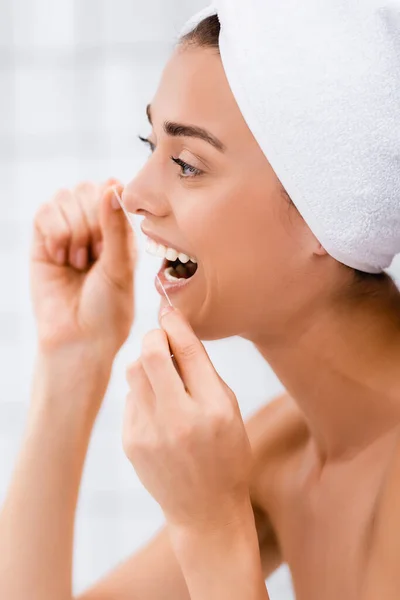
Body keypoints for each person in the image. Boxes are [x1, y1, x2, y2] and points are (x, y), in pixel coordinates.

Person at [1, 7, 400, 600]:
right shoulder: (288, 451)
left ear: (327, 214)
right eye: (150, 142)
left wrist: (211, 529)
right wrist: (72, 361)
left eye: (187, 164)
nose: (133, 194)